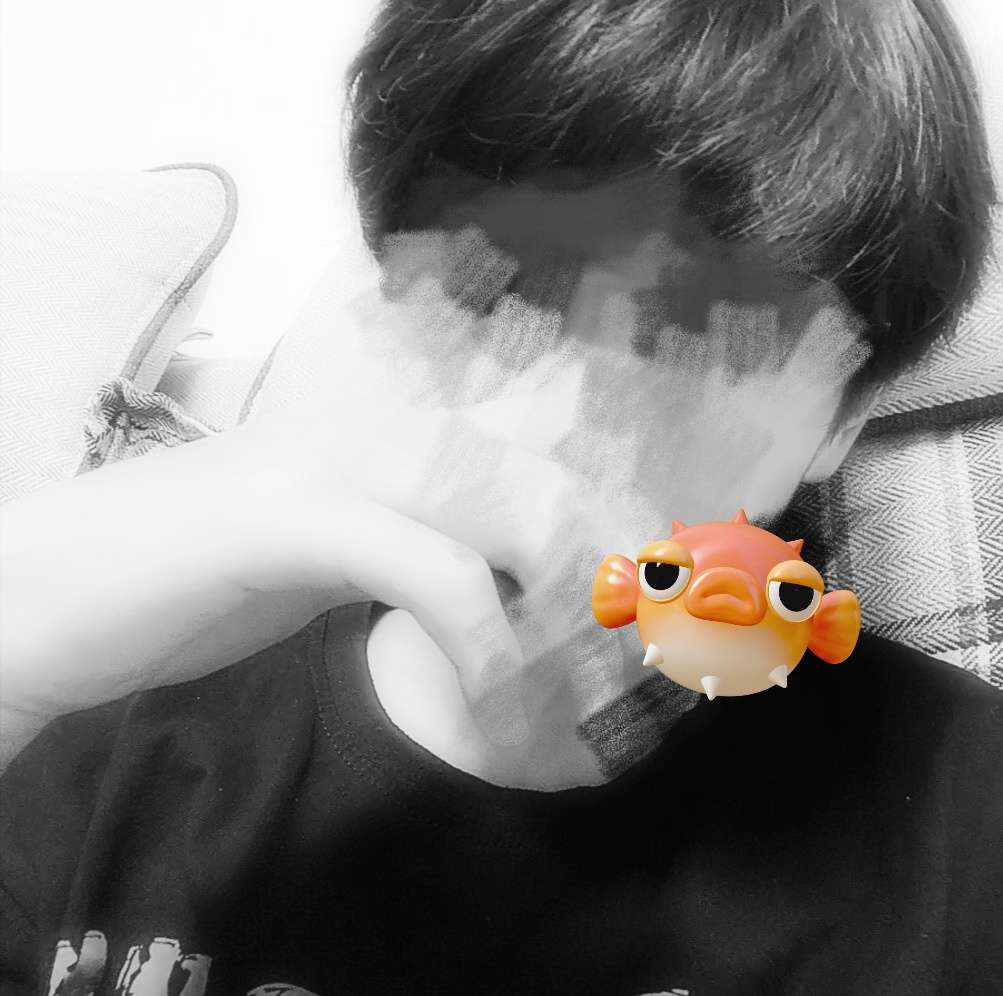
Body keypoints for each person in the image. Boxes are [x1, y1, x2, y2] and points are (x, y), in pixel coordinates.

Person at [2, 0, 1001, 993]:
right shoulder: (100, 710)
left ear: (838, 418)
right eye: (493, 287)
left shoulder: (968, 825)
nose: (546, 417)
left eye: (695, 337)